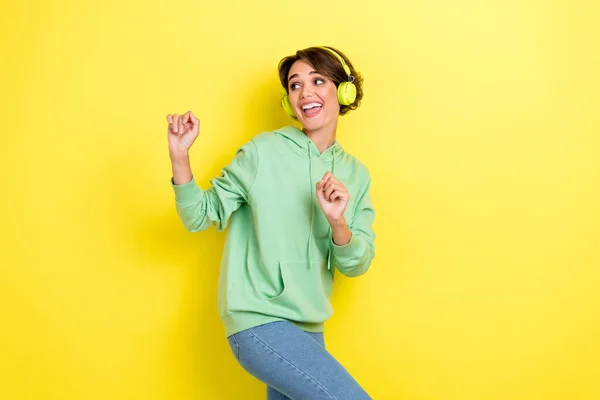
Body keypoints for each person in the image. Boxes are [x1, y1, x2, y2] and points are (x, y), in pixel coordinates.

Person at [166, 46, 375, 399]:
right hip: (258, 320)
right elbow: (200, 216)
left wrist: (338, 223)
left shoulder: (356, 174)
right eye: (295, 85)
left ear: (344, 92)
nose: (305, 92)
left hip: (309, 327)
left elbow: (357, 264)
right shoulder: (262, 152)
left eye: (318, 81)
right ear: (288, 100)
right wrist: (179, 156)